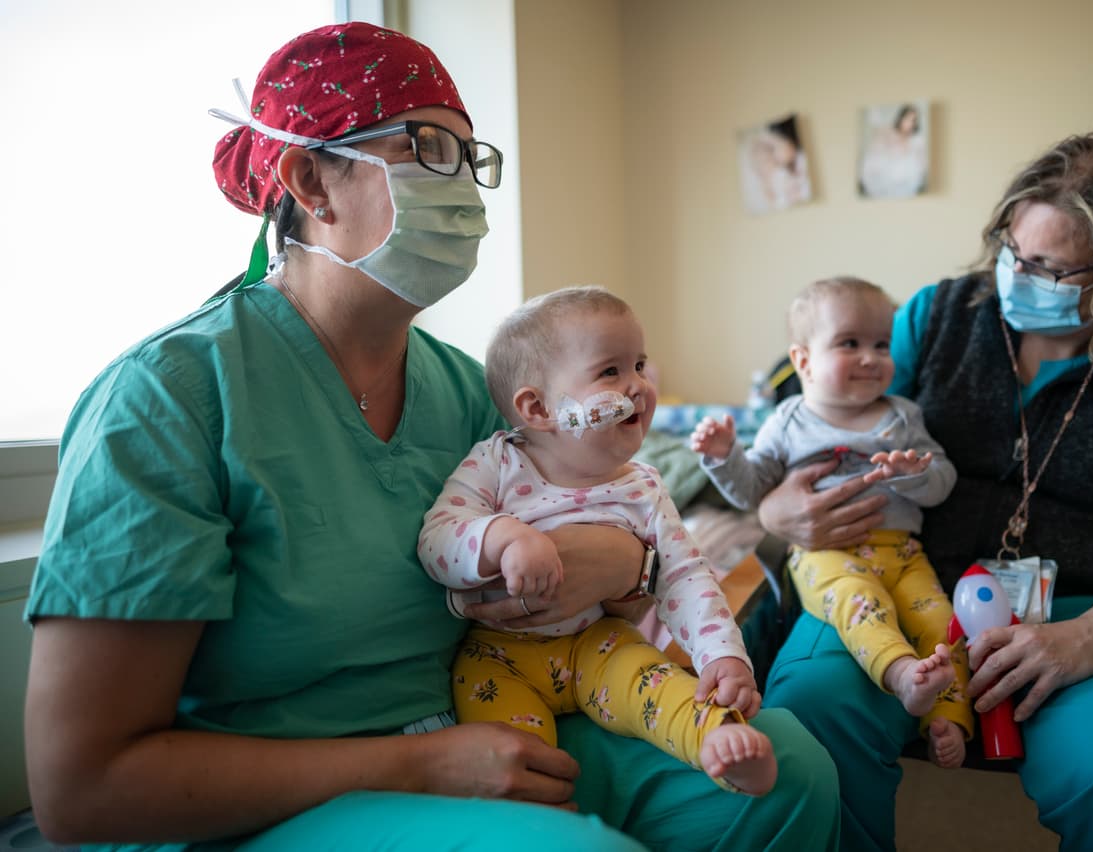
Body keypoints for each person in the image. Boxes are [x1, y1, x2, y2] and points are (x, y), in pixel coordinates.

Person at [22, 21, 839, 852]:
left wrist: (634, 560)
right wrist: (414, 768)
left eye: (471, 160)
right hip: (272, 796)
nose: (467, 195)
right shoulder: (170, 399)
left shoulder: (463, 391)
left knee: (790, 772)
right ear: (312, 181)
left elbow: (602, 575)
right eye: (426, 150)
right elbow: (83, 789)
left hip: (485, 716)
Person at [759, 125, 1093, 850]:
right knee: (805, 725)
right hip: (900, 582)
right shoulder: (937, 318)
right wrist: (777, 507)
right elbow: (813, 428)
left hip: (1075, 612)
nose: (1020, 278)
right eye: (1014, 254)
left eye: (1055, 270)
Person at [419, 286, 777, 796]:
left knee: (653, 682)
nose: (639, 386)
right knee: (505, 743)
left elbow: (684, 575)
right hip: (500, 657)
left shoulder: (643, 486)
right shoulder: (496, 463)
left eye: (640, 365)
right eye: (611, 371)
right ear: (539, 408)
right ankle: (537, 808)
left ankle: (715, 740)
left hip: (599, 645)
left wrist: (722, 655)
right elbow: (437, 538)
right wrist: (502, 536)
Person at [690, 278, 971, 769]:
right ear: (803, 361)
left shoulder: (903, 417)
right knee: (862, 606)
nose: (870, 357)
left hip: (905, 553)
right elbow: (753, 488)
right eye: (849, 343)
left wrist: (914, 476)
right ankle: (902, 674)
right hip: (828, 557)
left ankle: (948, 717)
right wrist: (722, 457)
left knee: (941, 622)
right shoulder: (788, 421)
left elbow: (943, 481)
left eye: (880, 345)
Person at [858, 103, 928, 199]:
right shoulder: (888, 133)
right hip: (886, 173)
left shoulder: (917, 140)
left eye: (913, 120)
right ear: (901, 118)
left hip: (906, 178)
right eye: (907, 119)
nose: (910, 123)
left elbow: (921, 164)